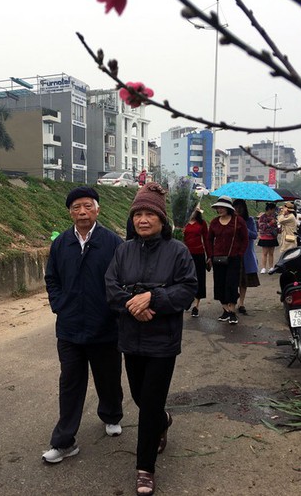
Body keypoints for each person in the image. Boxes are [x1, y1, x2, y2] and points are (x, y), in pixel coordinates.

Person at [105, 182, 196, 496]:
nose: (142, 220)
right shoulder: (123, 250)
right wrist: (135, 305)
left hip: (163, 342)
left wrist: (153, 299)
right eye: (137, 214)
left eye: (149, 214)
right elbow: (111, 287)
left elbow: (187, 289)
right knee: (140, 397)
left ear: (161, 219)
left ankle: (145, 468)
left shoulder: (178, 251)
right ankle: (163, 420)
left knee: (149, 404)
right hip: (131, 339)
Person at [42, 186, 124, 464]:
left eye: (87, 206)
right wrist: (59, 304)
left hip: (105, 327)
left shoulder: (112, 242)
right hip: (69, 328)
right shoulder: (61, 243)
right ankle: (64, 441)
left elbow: (123, 280)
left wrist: (114, 310)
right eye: (76, 207)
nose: (82, 212)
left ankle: (112, 415)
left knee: (108, 377)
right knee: (70, 383)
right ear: (70, 212)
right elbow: (51, 278)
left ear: (97, 209)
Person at [208, 196, 249, 324]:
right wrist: (210, 255)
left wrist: (240, 253)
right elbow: (209, 240)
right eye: (218, 207)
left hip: (234, 258)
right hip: (218, 258)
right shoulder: (214, 222)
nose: (219, 209)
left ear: (228, 208)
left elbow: (245, 239)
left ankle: (232, 311)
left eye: (222, 207)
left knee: (231, 284)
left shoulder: (238, 221)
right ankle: (225, 309)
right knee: (219, 284)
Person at [232, 199, 260, 315]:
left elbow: (254, 235)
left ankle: (241, 303)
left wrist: (244, 228)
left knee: (244, 281)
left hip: (246, 254)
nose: (238, 210)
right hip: (233, 253)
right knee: (233, 280)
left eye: (240, 208)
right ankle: (232, 301)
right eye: (235, 207)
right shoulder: (230, 220)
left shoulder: (250, 220)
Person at [183, 207, 211, 317]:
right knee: (186, 278)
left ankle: (196, 305)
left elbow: (206, 239)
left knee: (199, 278)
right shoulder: (183, 223)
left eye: (194, 210)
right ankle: (188, 298)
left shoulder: (202, 223)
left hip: (199, 254)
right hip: (186, 255)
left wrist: (209, 256)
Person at [257, 202, 279, 273]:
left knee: (271, 253)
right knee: (265, 253)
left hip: (272, 237)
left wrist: (278, 228)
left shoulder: (274, 216)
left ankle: (271, 267)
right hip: (265, 237)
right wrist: (270, 223)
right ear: (269, 209)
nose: (274, 211)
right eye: (273, 209)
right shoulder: (262, 217)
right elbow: (262, 227)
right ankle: (263, 268)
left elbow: (275, 226)